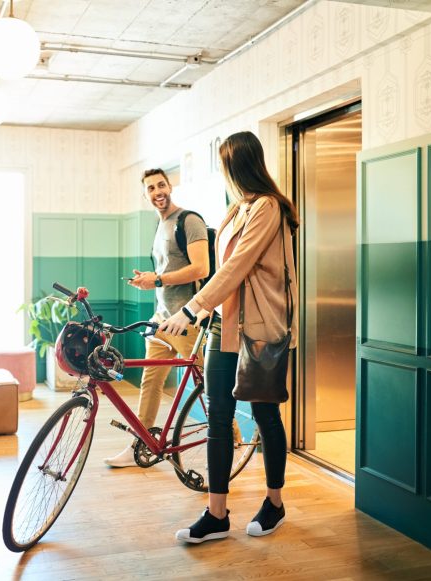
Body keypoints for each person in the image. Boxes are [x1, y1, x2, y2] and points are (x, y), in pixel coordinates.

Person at [159, 131, 299, 543]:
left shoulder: (268, 207)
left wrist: (191, 308)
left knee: (264, 415)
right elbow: (226, 271)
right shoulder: (238, 209)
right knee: (217, 417)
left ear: (238, 167)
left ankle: (274, 503)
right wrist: (205, 312)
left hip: (260, 331)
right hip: (224, 326)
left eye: (224, 166)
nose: (223, 174)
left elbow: (237, 265)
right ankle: (216, 514)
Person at [103, 168, 210, 468]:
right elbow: (165, 270)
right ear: (146, 194)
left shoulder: (189, 221)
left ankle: (232, 436)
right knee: (150, 384)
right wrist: (148, 281)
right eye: (150, 188)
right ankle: (139, 445)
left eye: (161, 185)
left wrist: (159, 280)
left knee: (207, 384)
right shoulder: (160, 225)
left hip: (186, 320)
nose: (157, 191)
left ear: (170, 186)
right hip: (161, 319)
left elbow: (201, 268)